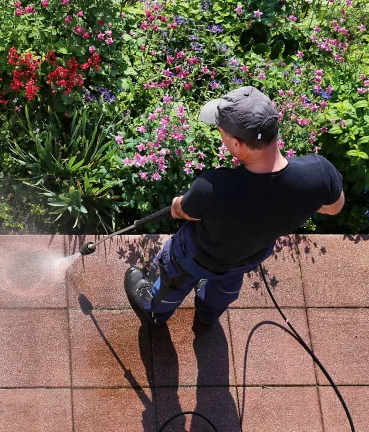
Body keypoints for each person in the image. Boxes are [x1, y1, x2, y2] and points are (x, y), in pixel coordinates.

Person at [125, 86, 345, 327]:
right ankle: (208, 314)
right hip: (248, 255)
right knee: (226, 286)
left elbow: (181, 211)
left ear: (238, 144)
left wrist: (178, 202)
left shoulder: (212, 188)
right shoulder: (319, 172)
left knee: (175, 280)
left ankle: (154, 311)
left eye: (222, 133)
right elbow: (334, 207)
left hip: (197, 256)